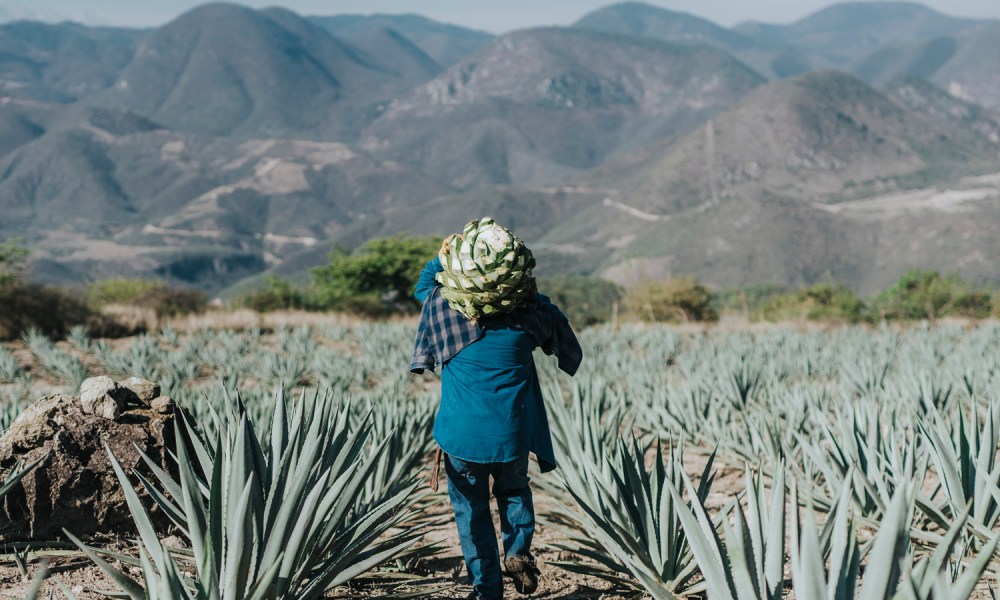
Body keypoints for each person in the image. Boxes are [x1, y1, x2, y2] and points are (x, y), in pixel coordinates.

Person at [410, 217, 582, 600]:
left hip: (461, 441)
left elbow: (424, 285)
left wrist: (442, 258)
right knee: (515, 491)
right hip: (513, 436)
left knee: (471, 513)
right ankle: (518, 551)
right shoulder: (531, 318)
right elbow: (568, 348)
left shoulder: (442, 309)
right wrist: (532, 295)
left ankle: (486, 589)